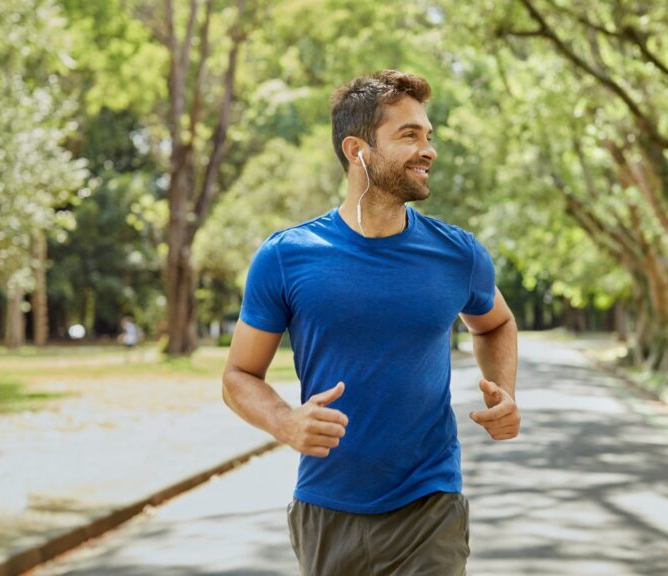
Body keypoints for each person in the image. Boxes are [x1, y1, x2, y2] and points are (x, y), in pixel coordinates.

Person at [222, 70, 519, 575]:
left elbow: (495, 323)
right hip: (326, 507)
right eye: (409, 136)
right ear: (357, 149)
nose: (429, 150)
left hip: (430, 505)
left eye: (428, 136)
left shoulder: (457, 254)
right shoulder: (287, 256)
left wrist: (505, 390)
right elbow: (237, 377)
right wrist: (285, 423)